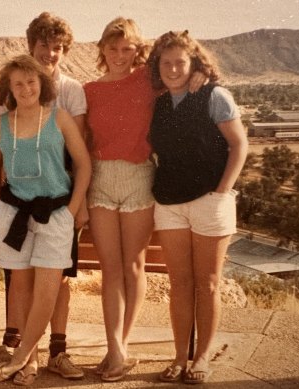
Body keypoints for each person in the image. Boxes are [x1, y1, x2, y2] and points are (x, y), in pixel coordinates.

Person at [83, 18, 205, 382]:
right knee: (110, 269)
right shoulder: (88, 90)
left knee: (133, 266)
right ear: (102, 49)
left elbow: (181, 70)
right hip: (101, 179)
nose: (120, 55)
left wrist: (201, 77)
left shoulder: (148, 81)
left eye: (128, 48)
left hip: (138, 179)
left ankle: (120, 345)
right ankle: (116, 350)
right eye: (113, 47)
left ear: (138, 51)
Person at [147, 30, 248, 384]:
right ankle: (178, 357)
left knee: (207, 284)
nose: (173, 69)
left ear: (194, 64)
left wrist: (222, 191)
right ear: (157, 66)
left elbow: (239, 146)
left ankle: (201, 358)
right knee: (179, 283)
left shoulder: (214, 95)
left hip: (210, 200)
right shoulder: (159, 102)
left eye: (180, 62)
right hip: (169, 202)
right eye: (166, 62)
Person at [0, 55, 91, 385]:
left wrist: (72, 209)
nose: (26, 88)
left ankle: (18, 357)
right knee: (19, 287)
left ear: (42, 84)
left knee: (47, 290)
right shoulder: (0, 125)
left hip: (55, 213)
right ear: (9, 88)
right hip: (14, 213)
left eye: (32, 81)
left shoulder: (59, 119)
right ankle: (28, 362)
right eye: (18, 83)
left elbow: (84, 164)